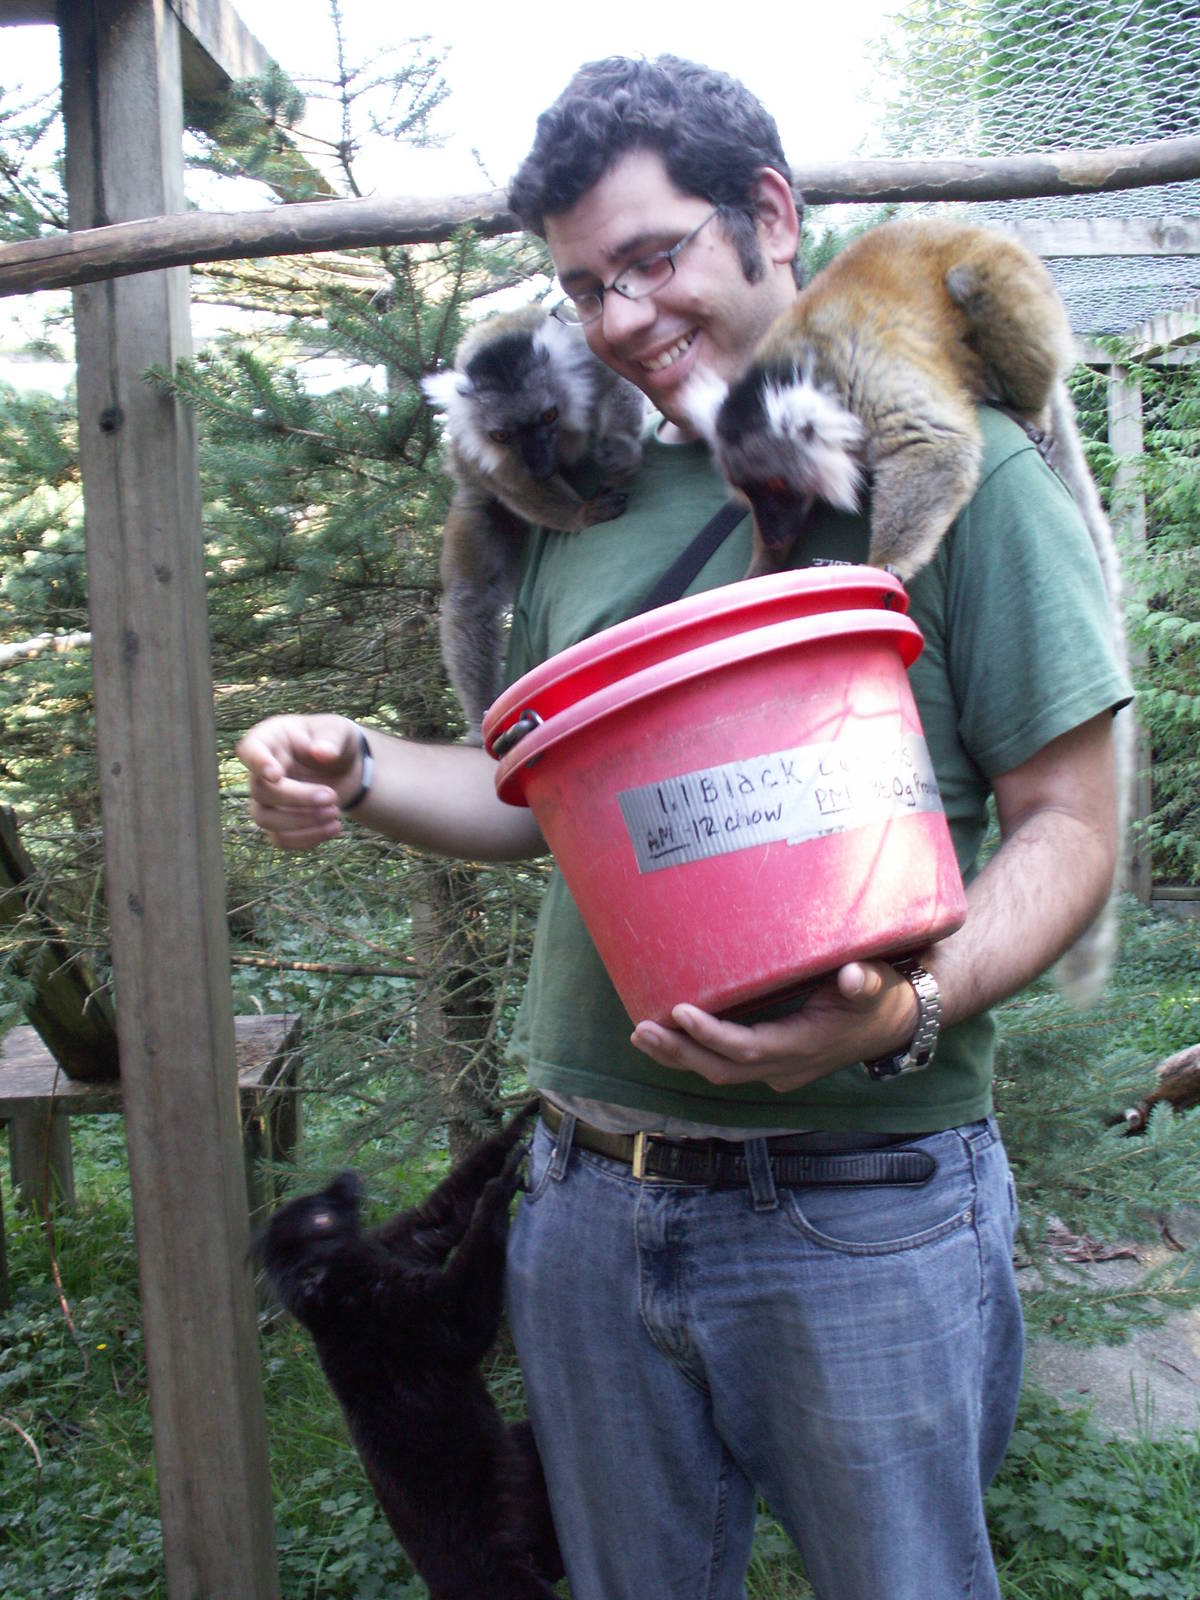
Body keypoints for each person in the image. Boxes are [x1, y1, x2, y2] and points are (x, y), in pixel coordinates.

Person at [238, 56, 1130, 1600]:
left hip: (865, 1205)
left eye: (653, 259)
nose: (621, 319)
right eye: (586, 285)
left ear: (767, 215)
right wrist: (363, 765)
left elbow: (1070, 823)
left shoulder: (952, 457)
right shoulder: (591, 497)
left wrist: (903, 1011)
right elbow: (537, 809)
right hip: (589, 1197)